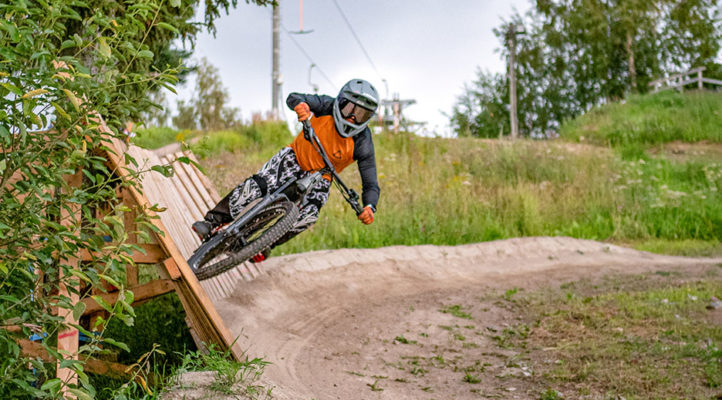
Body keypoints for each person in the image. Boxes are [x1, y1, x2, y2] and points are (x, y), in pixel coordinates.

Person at [192, 78, 381, 262]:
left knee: (309, 216)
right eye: (350, 109)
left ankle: (262, 244)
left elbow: (371, 183)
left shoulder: (363, 141)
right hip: (294, 157)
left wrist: (369, 206)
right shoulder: (326, 105)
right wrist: (300, 105)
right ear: (340, 102)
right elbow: (294, 97)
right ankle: (212, 222)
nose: (352, 117)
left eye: (361, 115)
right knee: (257, 186)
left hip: (321, 177)